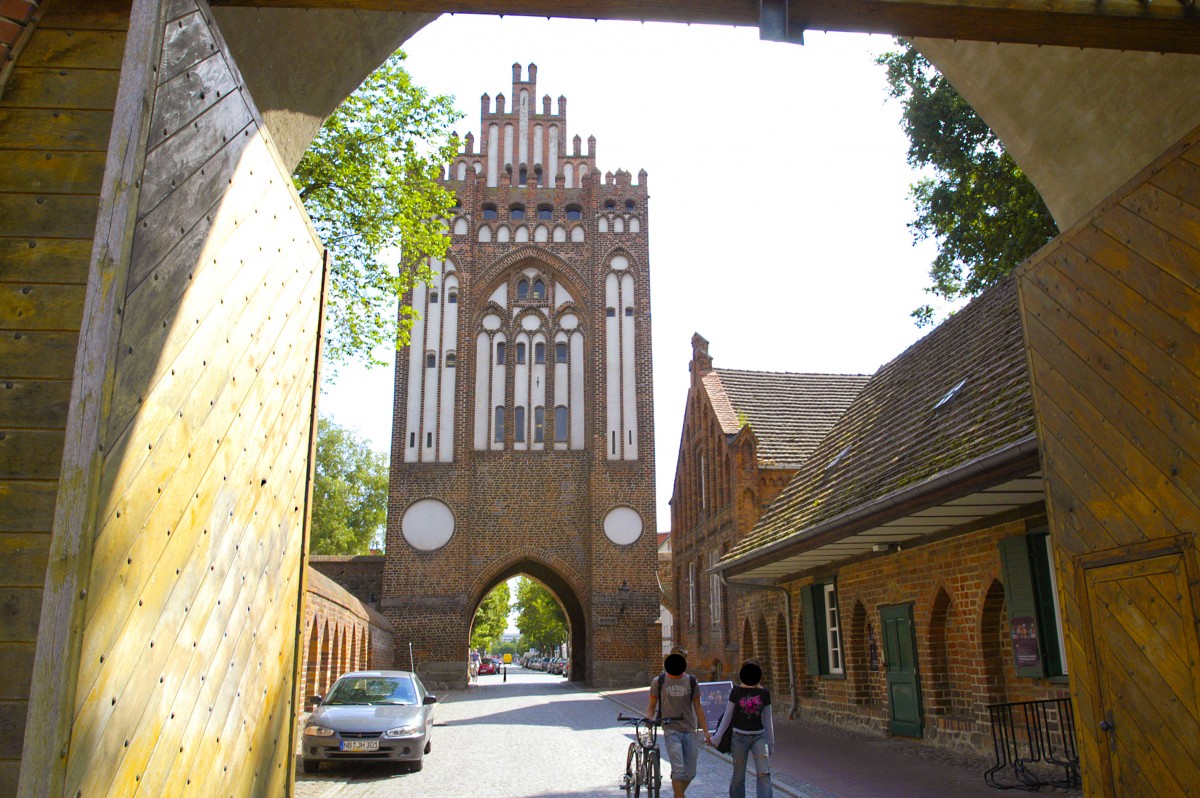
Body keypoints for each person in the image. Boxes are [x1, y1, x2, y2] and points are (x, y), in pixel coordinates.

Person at [646, 646, 712, 798]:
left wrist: (706, 732)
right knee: (678, 770)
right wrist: (649, 719)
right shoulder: (659, 681)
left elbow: (698, 707)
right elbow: (651, 706)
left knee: (691, 772)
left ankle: (678, 794)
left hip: (689, 729)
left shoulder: (691, 681)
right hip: (670, 729)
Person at [710, 659, 775, 798]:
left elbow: (767, 719)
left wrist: (771, 742)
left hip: (759, 737)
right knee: (739, 775)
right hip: (739, 737)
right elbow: (728, 715)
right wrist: (717, 736)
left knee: (763, 773)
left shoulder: (764, 693)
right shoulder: (737, 691)